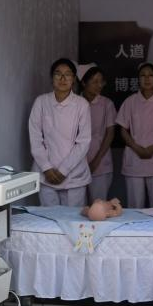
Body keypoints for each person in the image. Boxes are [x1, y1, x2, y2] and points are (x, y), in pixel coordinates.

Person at [28, 58, 92, 206]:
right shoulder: (41, 102)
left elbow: (83, 142)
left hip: (74, 175)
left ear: (73, 79)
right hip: (46, 174)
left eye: (68, 74)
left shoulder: (82, 105)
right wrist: (46, 168)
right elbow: (35, 137)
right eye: (58, 74)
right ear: (52, 78)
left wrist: (64, 170)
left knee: (72, 218)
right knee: (49, 217)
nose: (63, 79)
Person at [116, 62, 153, 208]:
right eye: (143, 75)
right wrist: (137, 148)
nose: (147, 79)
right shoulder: (130, 102)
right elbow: (123, 129)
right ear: (138, 79)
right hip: (135, 159)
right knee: (135, 206)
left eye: (151, 75)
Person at [78, 63, 117, 203]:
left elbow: (110, 133)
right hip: (76, 163)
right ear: (84, 83)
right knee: (76, 207)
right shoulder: (75, 103)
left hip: (101, 162)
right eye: (94, 81)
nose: (99, 85)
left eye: (101, 81)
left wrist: (96, 161)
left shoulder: (107, 104)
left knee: (98, 206)